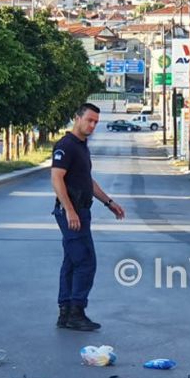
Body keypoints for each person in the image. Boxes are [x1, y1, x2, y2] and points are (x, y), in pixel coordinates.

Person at [51, 102, 126, 331]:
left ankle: (65, 313)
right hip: (71, 213)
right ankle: (76, 312)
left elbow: (87, 181)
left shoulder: (81, 146)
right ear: (77, 118)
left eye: (95, 122)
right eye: (89, 120)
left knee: (71, 262)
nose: (92, 125)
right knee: (85, 262)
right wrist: (71, 210)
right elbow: (57, 178)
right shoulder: (66, 145)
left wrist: (109, 202)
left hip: (82, 210)